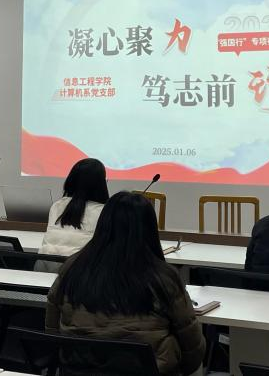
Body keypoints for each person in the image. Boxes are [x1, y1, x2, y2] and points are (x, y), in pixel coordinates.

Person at [47, 192, 205, 376]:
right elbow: (192, 349)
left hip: (78, 370)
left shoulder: (72, 268)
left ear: (103, 224)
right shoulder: (163, 277)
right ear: (150, 230)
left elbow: (52, 332)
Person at [40, 158, 109, 257]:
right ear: (102, 184)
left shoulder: (57, 205)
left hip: (46, 263)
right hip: (80, 265)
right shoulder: (104, 211)